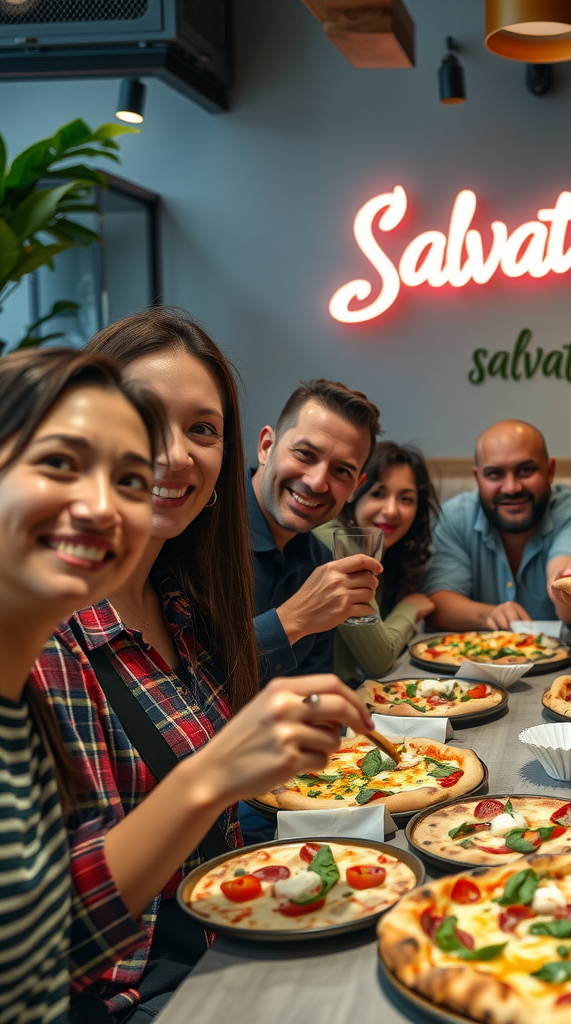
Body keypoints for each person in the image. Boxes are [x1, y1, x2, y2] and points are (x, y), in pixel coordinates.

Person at [34, 310, 374, 1021]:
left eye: (201, 430)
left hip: (229, 933)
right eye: (144, 416)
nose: (176, 455)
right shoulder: (43, 635)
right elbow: (53, 941)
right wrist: (218, 770)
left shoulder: (185, 608)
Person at [0, 348, 164, 1024]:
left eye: (130, 481)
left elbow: (46, 948)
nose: (101, 506)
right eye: (61, 463)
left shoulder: (26, 709)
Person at [249, 379, 383, 684]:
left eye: (341, 471)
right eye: (305, 454)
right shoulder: (199, 528)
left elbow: (311, 692)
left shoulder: (320, 560)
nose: (317, 482)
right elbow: (184, 681)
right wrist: (295, 618)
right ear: (266, 447)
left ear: (354, 488)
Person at [425, 420, 571, 630]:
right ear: (478, 478)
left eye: (525, 470)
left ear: (550, 471)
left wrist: (567, 586)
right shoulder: (453, 517)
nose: (511, 487)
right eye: (494, 474)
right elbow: (438, 602)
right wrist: (489, 614)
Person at [313, 442, 438, 682]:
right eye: (378, 494)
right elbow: (378, 660)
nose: (392, 510)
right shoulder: (335, 540)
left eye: (406, 499)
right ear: (354, 492)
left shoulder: (385, 551)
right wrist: (410, 608)